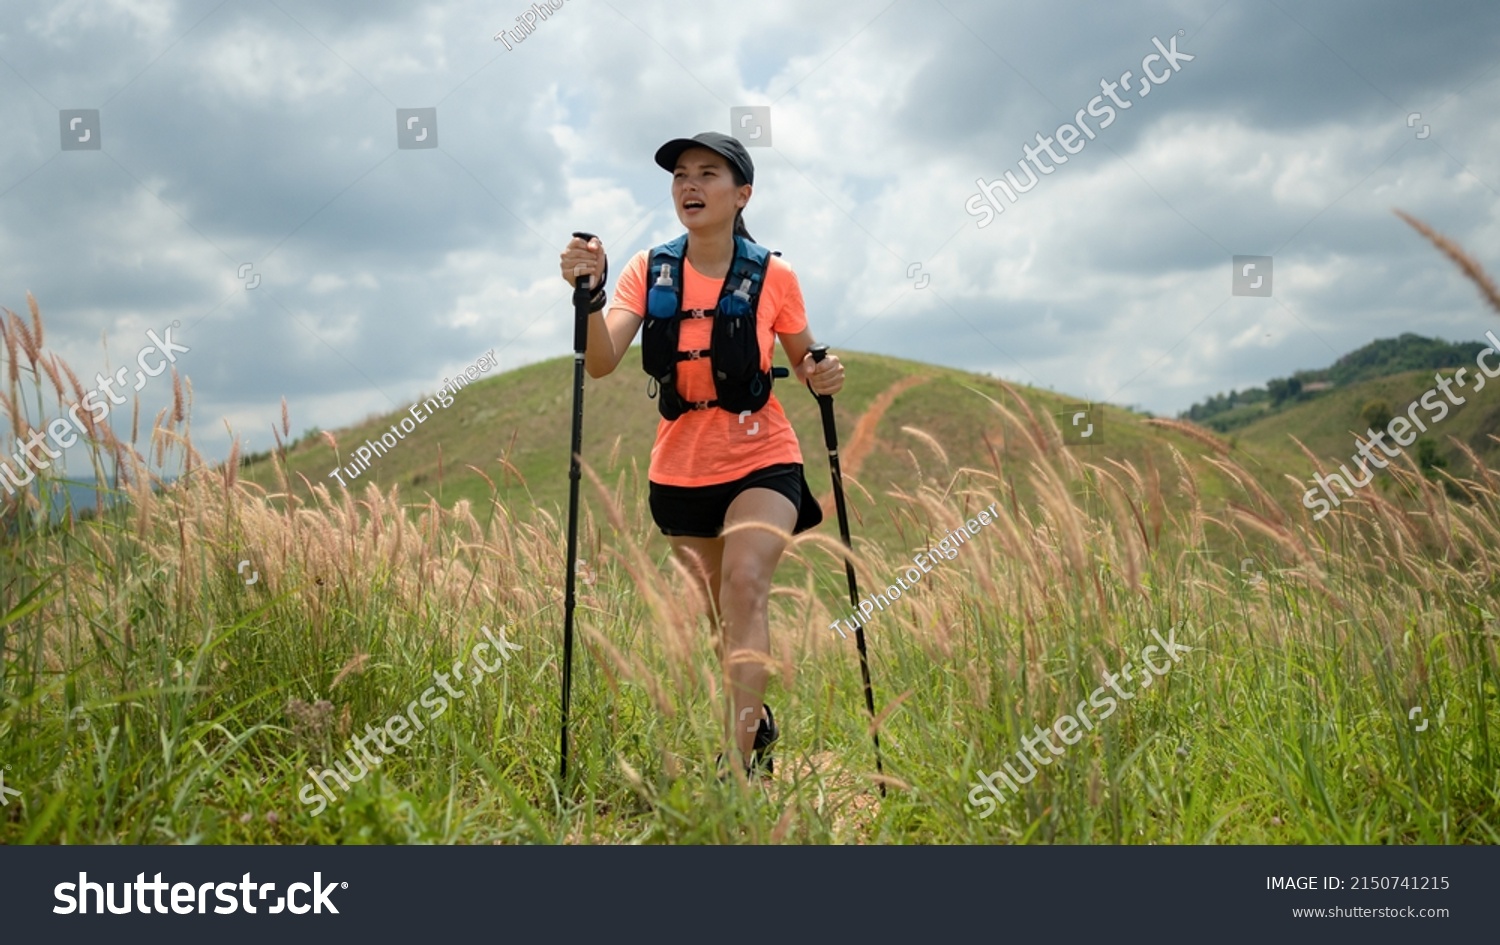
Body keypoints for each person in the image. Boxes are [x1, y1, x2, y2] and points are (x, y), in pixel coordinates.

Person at [557, 131, 844, 780]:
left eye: (708, 174)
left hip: (763, 455)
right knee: (720, 617)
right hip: (680, 468)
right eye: (681, 174)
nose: (690, 185)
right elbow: (600, 363)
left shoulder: (774, 274)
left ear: (742, 193)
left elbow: (804, 360)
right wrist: (589, 293)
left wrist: (824, 373)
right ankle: (758, 721)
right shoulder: (648, 268)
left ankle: (738, 767)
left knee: (746, 583)